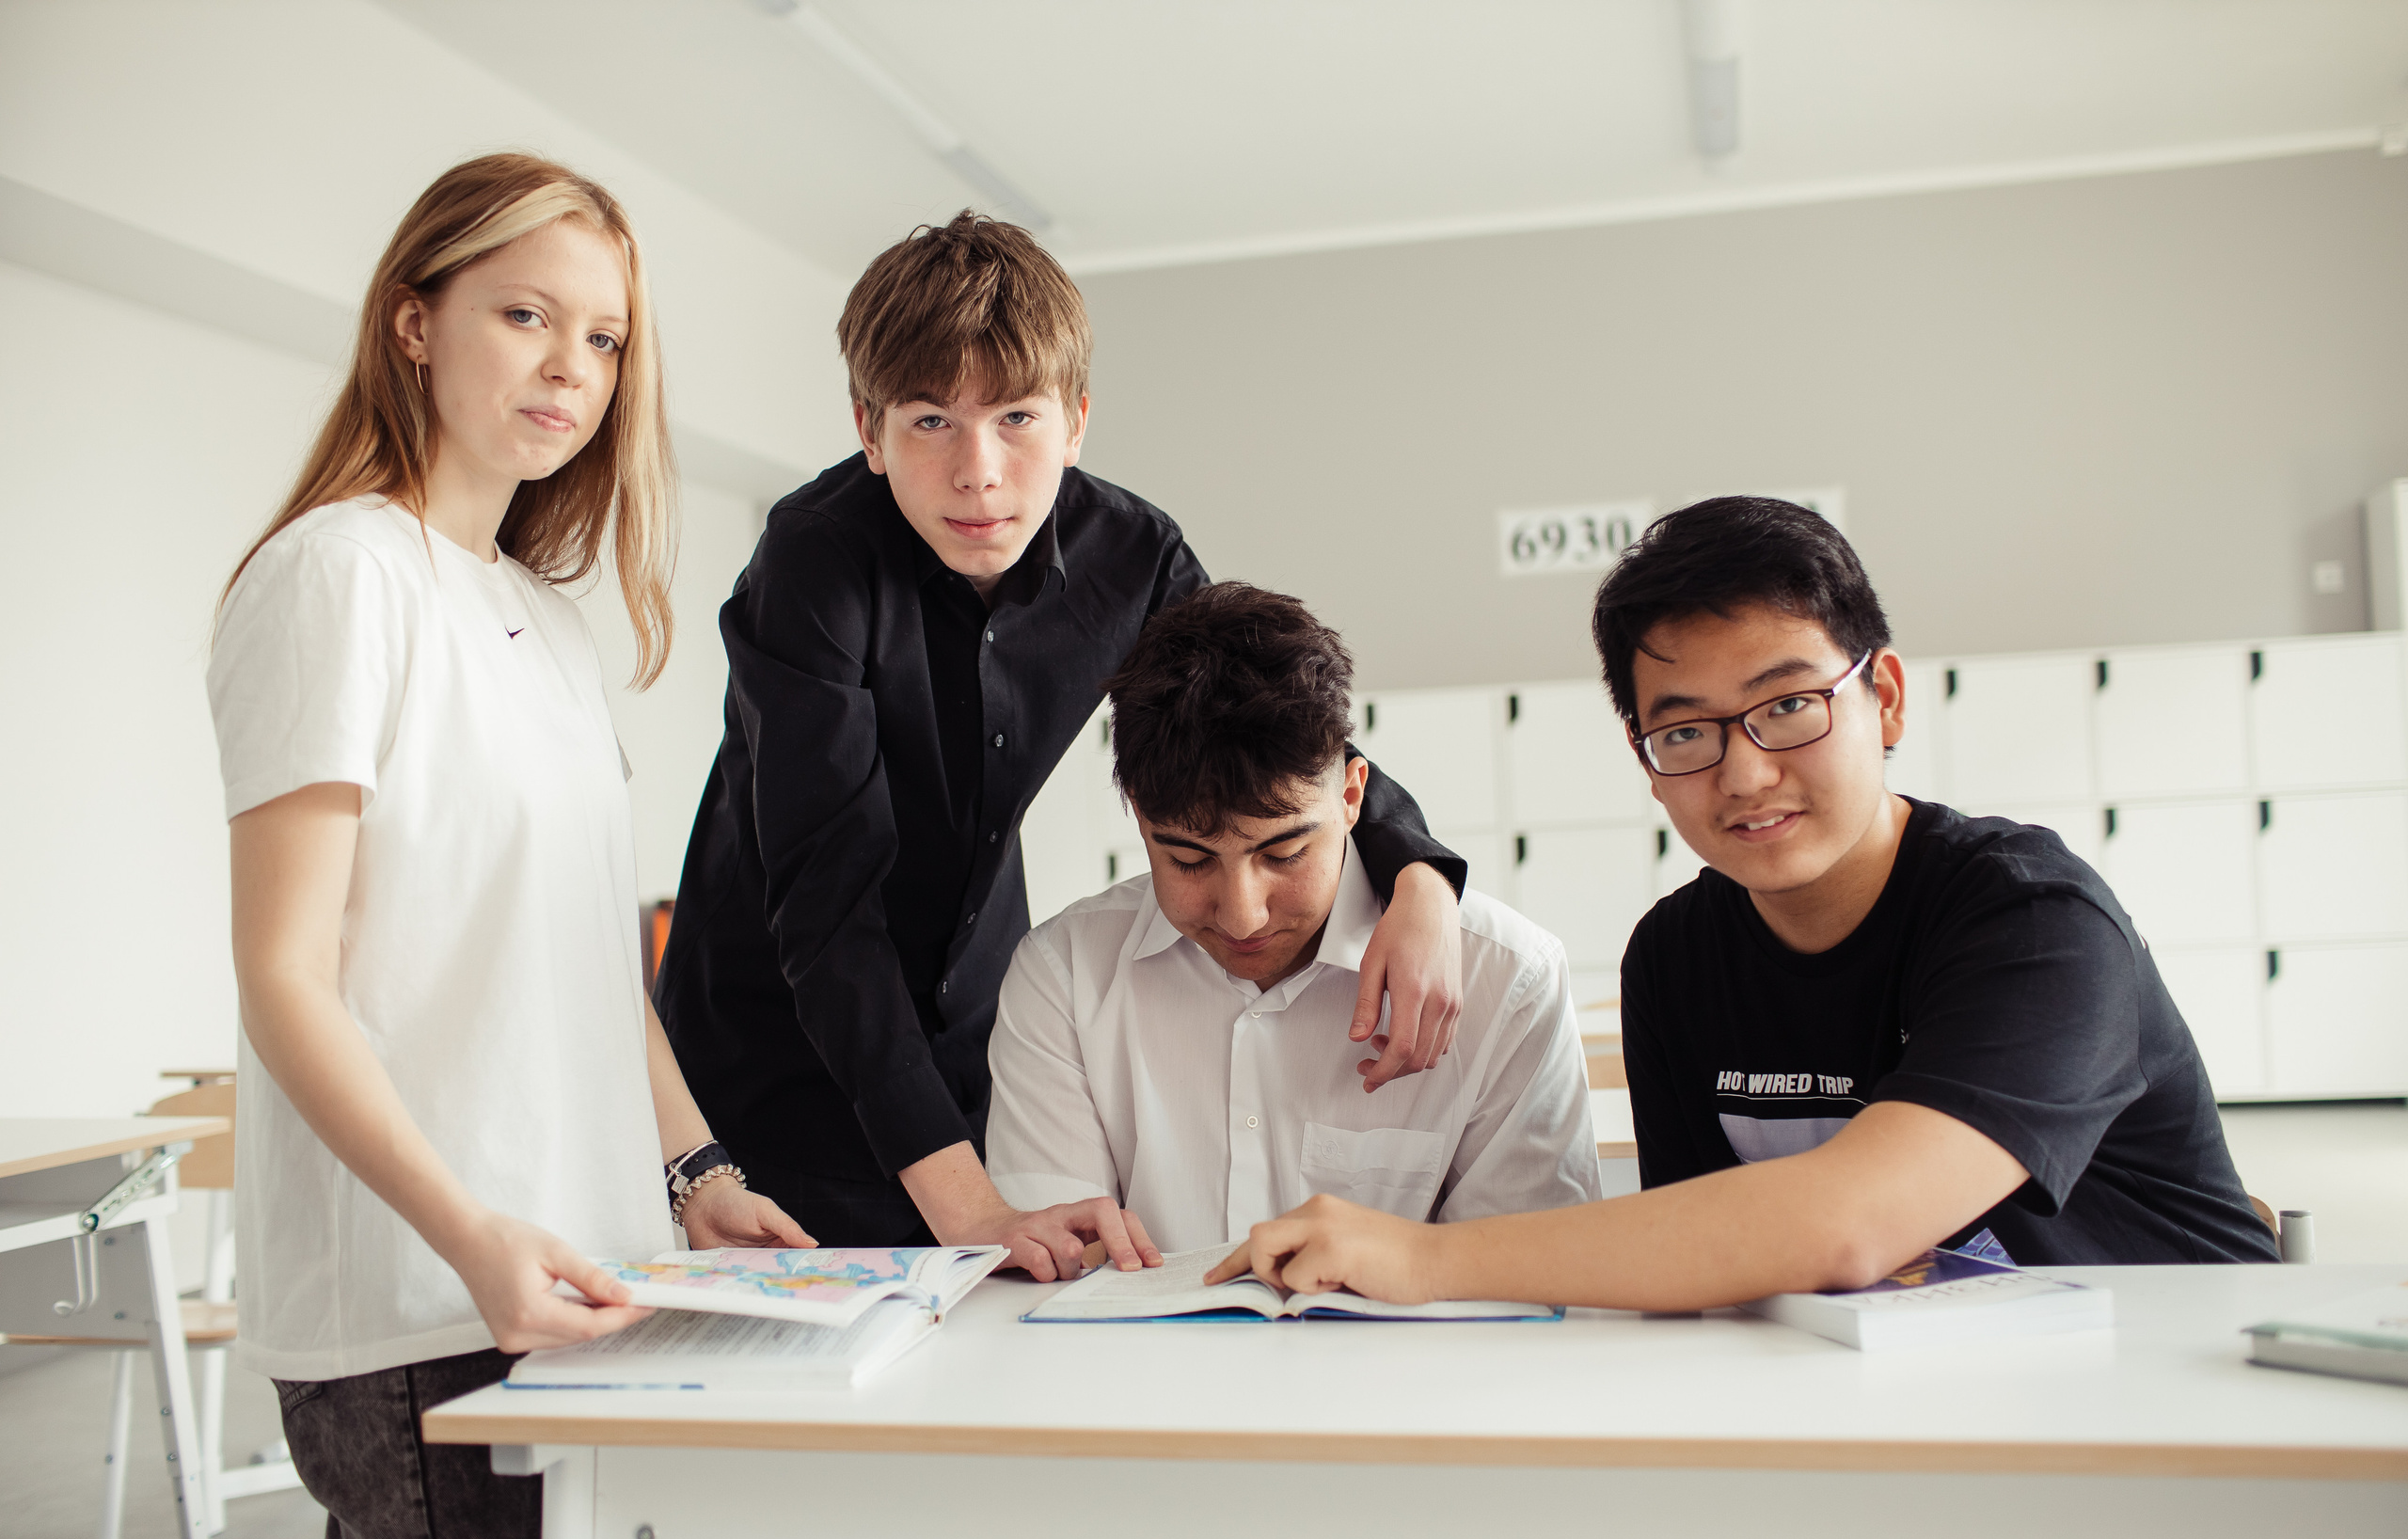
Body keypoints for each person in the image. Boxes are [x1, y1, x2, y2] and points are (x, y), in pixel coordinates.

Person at [210, 154, 810, 1539]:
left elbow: (596, 964)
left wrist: (700, 1170)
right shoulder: (338, 575)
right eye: (527, 315)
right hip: (428, 1294)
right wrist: (472, 1233)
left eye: (604, 338)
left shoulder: (540, 615)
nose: (571, 367)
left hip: (585, 1274)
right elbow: (284, 975)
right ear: (414, 320)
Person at [653, 213, 1469, 1278]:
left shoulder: (1131, 551)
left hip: (975, 1031)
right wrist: (968, 1206)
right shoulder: (813, 563)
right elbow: (828, 902)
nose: (977, 473)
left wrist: (1416, 876)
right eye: (931, 421)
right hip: (776, 1043)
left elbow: (1273, 727)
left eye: (1017, 419)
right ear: (868, 426)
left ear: (1077, 420)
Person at [1211, 497, 2277, 1308]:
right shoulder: (1674, 956)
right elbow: (1712, 1266)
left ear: (1886, 698)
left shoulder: (2032, 919)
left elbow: (1846, 1227)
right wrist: (1783, 1243)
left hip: (2175, 1403)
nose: (1745, 772)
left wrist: (1421, 1255)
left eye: (1788, 706)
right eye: (1686, 731)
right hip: (1903, 1404)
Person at [985, 585, 1602, 1253]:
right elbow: (1049, 1282)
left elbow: (1530, 1276)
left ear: (1352, 793)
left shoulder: (1508, 978)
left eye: (1283, 852)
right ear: (1137, 814)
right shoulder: (1062, 977)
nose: (1243, 914)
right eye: (1189, 859)